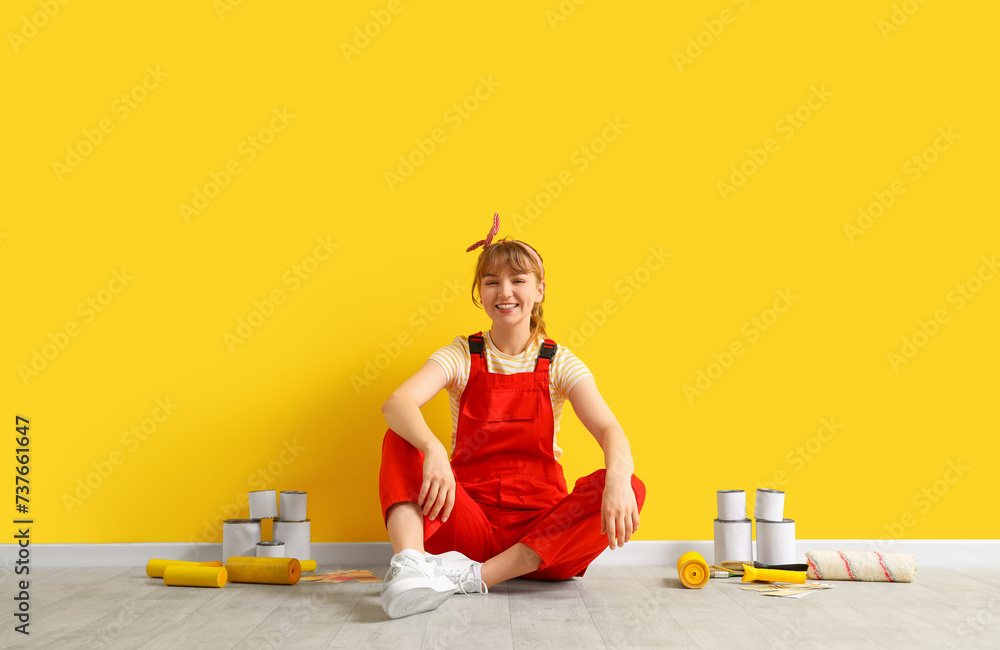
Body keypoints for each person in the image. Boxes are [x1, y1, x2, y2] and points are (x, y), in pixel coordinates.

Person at [378, 213, 646, 619]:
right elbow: (397, 404)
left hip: (542, 541)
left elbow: (609, 428)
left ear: (539, 290)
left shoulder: (560, 363)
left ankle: (475, 578)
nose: (505, 292)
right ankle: (412, 568)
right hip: (468, 527)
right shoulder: (462, 355)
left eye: (518, 280)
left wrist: (620, 478)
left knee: (633, 486)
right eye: (492, 282)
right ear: (479, 294)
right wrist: (432, 448)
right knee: (399, 436)